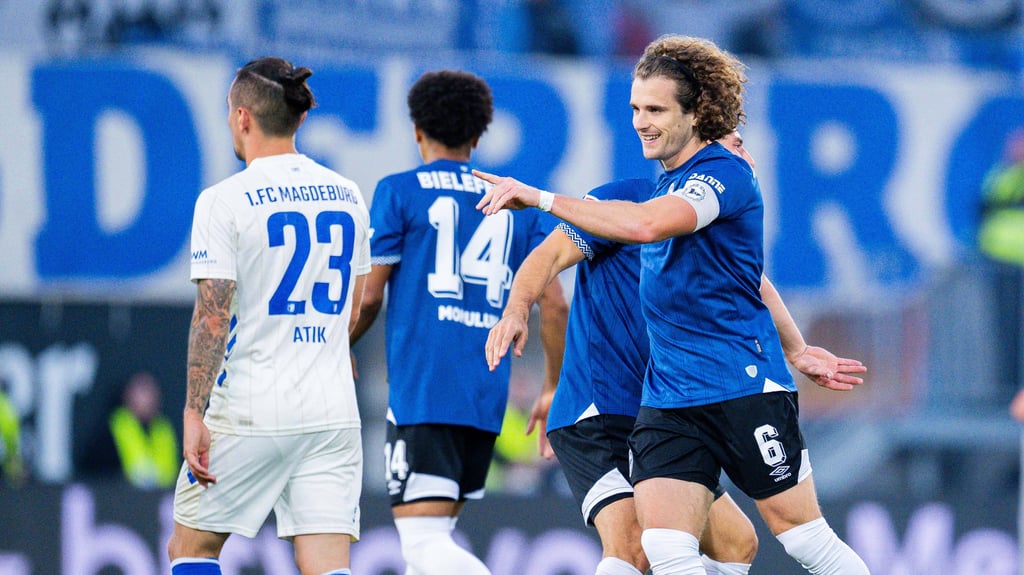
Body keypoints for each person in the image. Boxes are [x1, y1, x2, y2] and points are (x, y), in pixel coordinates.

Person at [476, 35, 871, 575]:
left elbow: (648, 226)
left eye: (656, 109)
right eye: (636, 108)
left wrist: (539, 196)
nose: (641, 121)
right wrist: (518, 309)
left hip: (741, 386)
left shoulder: (724, 174)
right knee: (661, 549)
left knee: (802, 539)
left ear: (697, 112)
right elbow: (749, 278)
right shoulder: (665, 183)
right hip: (667, 400)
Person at [349, 69, 569, 575]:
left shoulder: (400, 191)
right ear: (477, 135)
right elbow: (554, 303)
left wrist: (337, 345)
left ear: (417, 131)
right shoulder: (515, 202)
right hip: (484, 395)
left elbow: (369, 297)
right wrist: (552, 385)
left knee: (423, 545)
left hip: (423, 391)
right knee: (434, 544)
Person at [167, 57, 371, 575]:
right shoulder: (348, 196)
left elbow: (212, 316)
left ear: (241, 118)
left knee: (190, 550)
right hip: (332, 412)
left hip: (251, 407)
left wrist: (194, 412)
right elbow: (357, 300)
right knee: (327, 565)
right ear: (300, 119)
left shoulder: (223, 201)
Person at [109, 371, 179, 489]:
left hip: (161, 498)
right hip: (124, 498)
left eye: (150, 392)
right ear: (127, 395)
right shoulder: (117, 425)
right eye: (141, 392)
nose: (147, 398)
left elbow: (172, 472)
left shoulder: (163, 430)